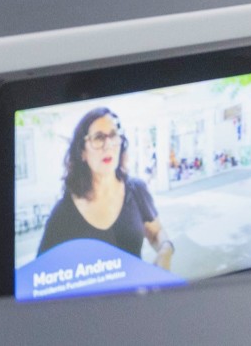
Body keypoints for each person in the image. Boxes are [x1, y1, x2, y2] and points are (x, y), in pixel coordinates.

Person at [36, 107, 173, 270]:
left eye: (113, 135)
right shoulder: (63, 213)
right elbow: (41, 272)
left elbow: (156, 232)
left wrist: (166, 250)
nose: (108, 145)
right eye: (99, 137)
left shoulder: (137, 190)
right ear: (82, 152)